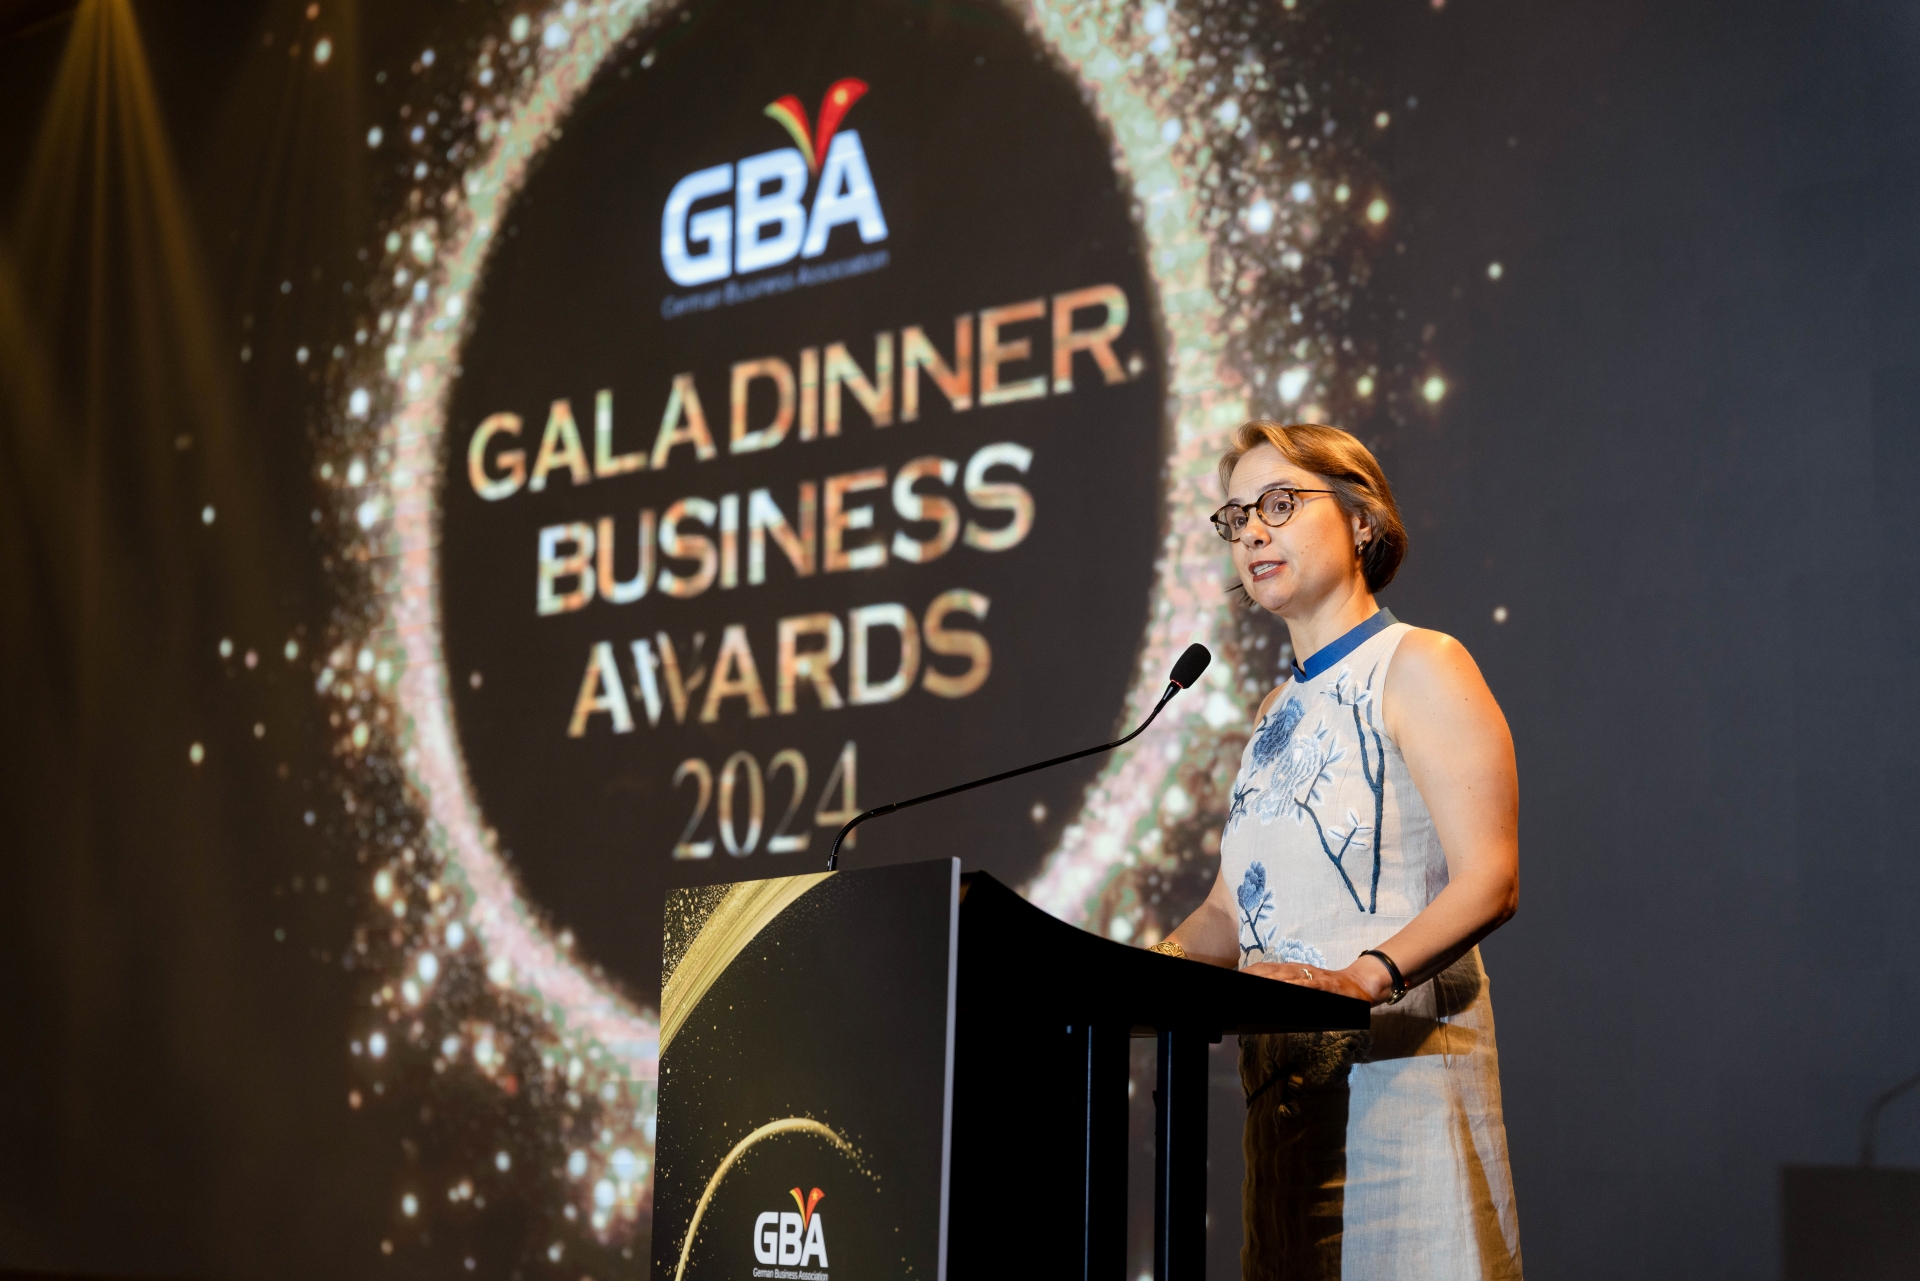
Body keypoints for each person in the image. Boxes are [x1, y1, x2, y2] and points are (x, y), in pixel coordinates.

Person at [1147, 421, 1523, 1279]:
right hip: (1281, 1103)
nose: (1251, 530)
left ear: (1361, 520)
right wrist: (1142, 972)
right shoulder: (1273, 711)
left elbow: (1490, 878)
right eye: (1236, 514)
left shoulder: (1421, 663)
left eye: (1279, 503)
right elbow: (1225, 913)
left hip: (1400, 1090)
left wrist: (1364, 976)